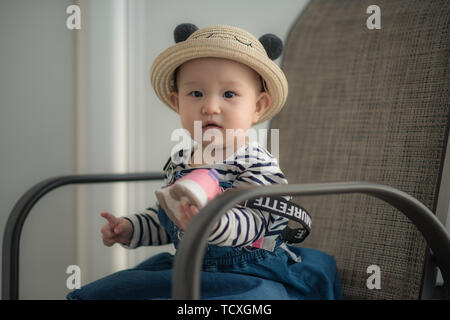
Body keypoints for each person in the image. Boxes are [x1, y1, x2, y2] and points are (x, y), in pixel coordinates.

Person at [66, 24, 342, 300]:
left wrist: (212, 223)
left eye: (229, 94)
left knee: (260, 299)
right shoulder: (181, 161)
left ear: (258, 106)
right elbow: (169, 220)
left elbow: (256, 222)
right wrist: (131, 228)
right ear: (177, 102)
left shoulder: (256, 163)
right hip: (192, 268)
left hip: (249, 271)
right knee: (118, 290)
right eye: (196, 94)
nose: (210, 106)